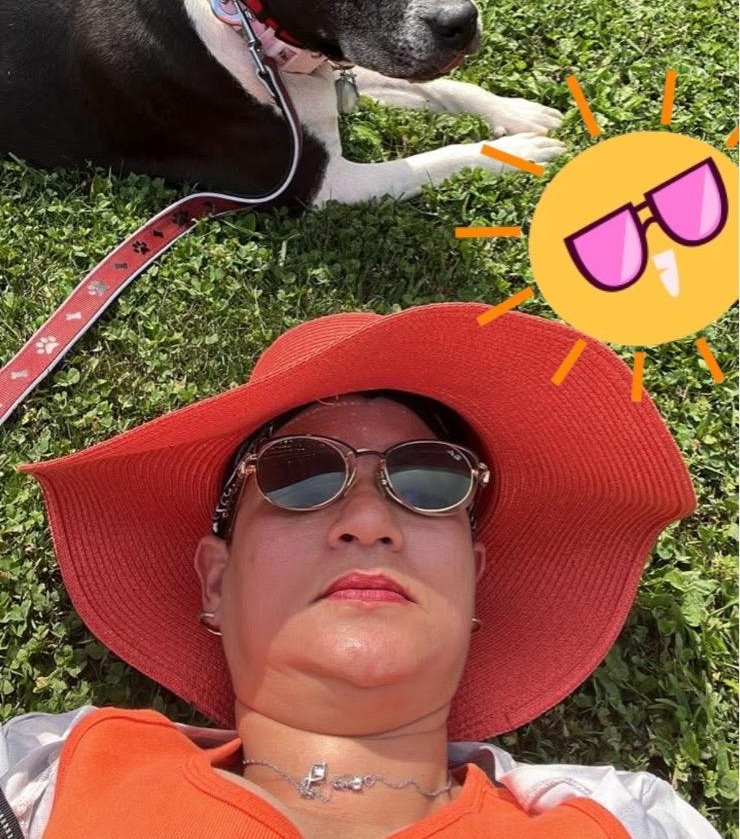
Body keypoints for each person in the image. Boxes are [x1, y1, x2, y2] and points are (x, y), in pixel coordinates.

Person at [1, 302, 722, 838]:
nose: (370, 521)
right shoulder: (45, 775)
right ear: (216, 580)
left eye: (432, 481)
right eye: (299, 475)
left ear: (474, 579)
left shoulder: (627, 825)